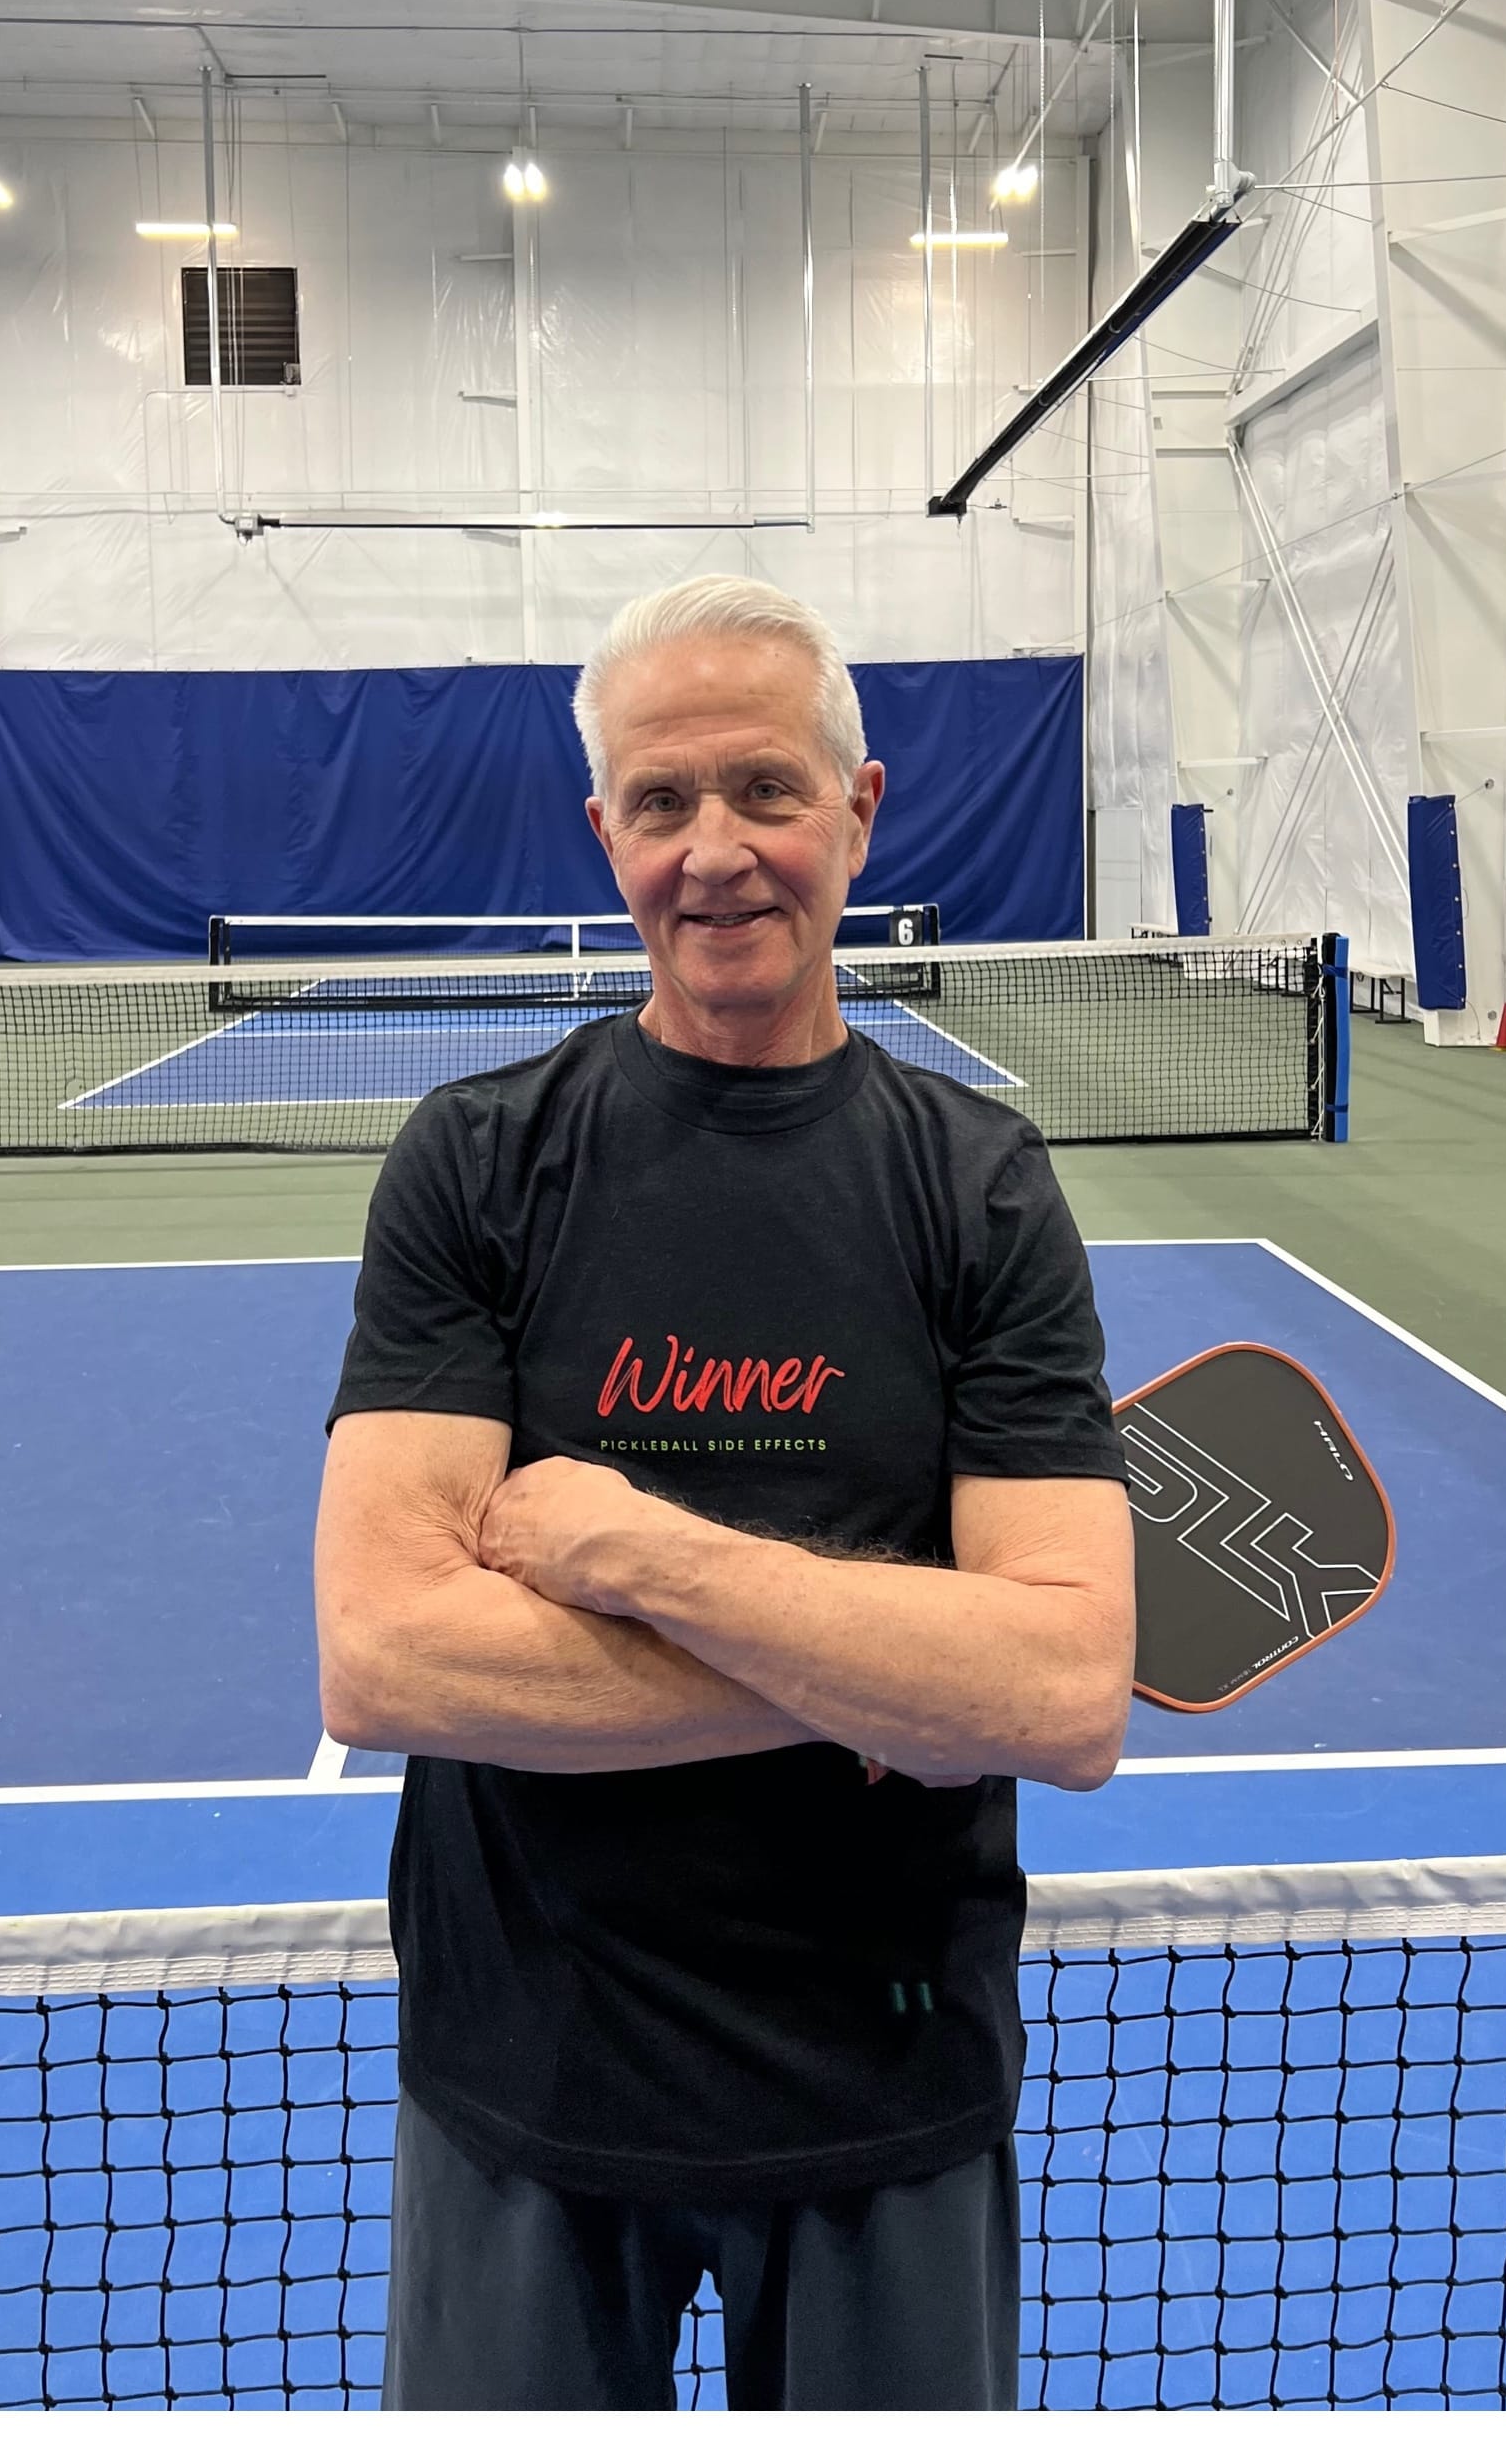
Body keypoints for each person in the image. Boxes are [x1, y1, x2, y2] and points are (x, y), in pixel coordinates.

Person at [314, 576, 1135, 2411]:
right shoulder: (474, 1164)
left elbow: (1063, 1700)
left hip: (883, 2082)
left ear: (859, 809)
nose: (716, 854)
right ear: (603, 831)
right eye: (662, 803)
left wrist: (637, 1551)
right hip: (528, 2078)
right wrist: (891, 1669)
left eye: (765, 791)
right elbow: (383, 1660)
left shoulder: (981, 1189)